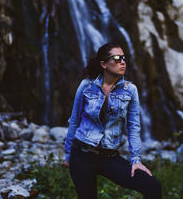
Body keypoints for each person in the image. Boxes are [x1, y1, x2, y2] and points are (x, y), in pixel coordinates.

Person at [63, 42, 162, 199]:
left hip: (108, 157)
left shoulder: (130, 90)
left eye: (123, 58)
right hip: (81, 155)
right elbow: (74, 120)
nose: (122, 62)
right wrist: (68, 155)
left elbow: (134, 127)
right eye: (116, 58)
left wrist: (136, 160)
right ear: (103, 64)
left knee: (152, 186)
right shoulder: (86, 86)